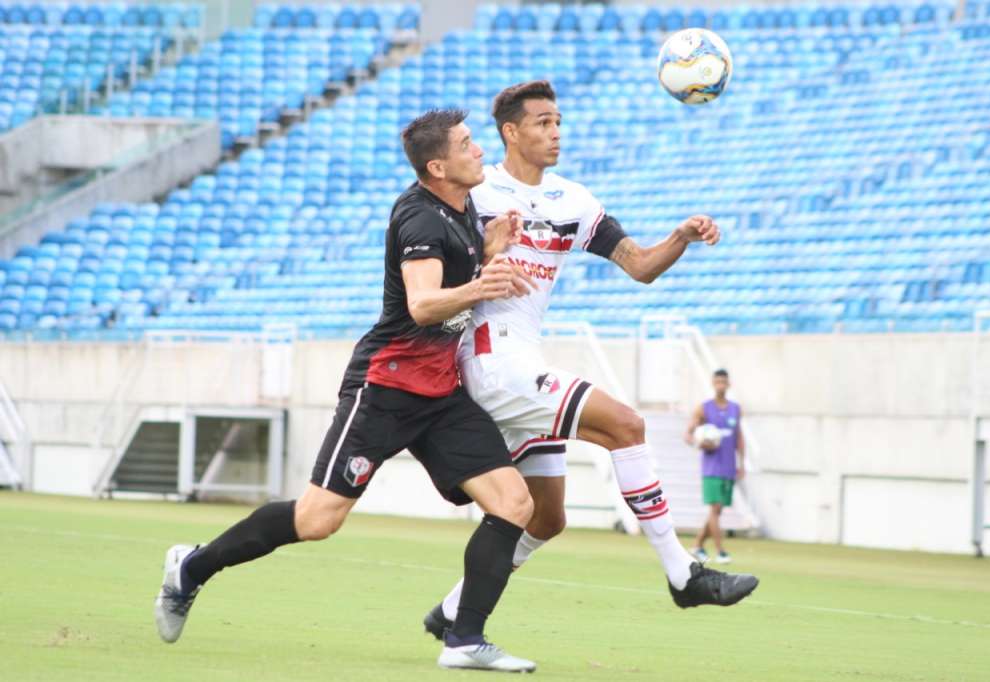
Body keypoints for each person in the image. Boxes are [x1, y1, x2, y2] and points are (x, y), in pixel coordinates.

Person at [153, 108, 542, 673]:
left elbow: (451, 288)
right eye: (467, 144)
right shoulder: (421, 220)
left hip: (440, 391)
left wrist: (488, 250)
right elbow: (422, 304)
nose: (479, 150)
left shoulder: (464, 209)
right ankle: (191, 568)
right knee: (317, 522)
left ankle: (464, 641)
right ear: (438, 165)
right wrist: (485, 278)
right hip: (384, 387)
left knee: (514, 503)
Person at [422, 81, 758, 640]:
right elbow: (437, 277)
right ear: (511, 131)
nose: (556, 133)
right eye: (543, 123)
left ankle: (453, 612)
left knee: (547, 517)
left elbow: (640, 266)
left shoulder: (573, 201)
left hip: (520, 361)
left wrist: (680, 237)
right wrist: (488, 252)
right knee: (626, 424)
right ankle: (683, 574)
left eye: (559, 122)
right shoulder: (475, 193)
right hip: (489, 359)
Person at [685, 368, 745, 564]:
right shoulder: (704, 408)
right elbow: (688, 434)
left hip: (728, 466)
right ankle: (721, 551)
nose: (720, 385)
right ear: (713, 384)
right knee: (715, 508)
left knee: (717, 511)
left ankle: (697, 546)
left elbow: (739, 436)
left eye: (723, 382)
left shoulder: (735, 409)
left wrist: (741, 463)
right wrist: (698, 442)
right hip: (711, 467)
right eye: (717, 381)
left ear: (728, 384)